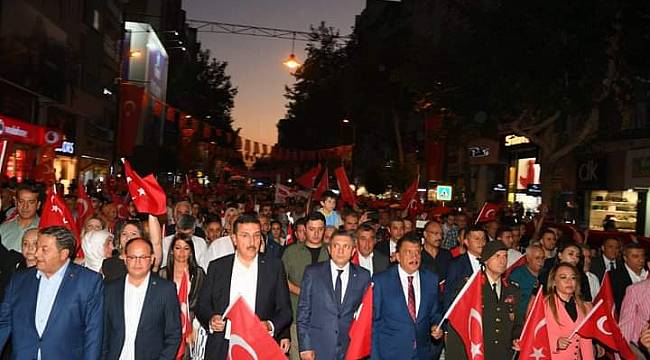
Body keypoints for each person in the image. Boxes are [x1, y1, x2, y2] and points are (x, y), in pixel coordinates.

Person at [196, 215, 292, 359]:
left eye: (256, 235)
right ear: (234, 239)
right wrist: (211, 319)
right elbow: (202, 305)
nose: (252, 242)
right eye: (245, 236)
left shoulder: (274, 267)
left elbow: (285, 310)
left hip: (259, 346)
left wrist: (270, 325)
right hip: (223, 346)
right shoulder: (218, 267)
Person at [0, 226, 104, 359]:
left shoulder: (88, 282)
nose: (36, 254)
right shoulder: (20, 280)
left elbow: (93, 334)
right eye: (38, 247)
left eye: (44, 249)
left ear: (64, 254)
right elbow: (3, 322)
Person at [102, 238, 181, 360]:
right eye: (132, 257)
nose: (137, 263)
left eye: (143, 257)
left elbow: (173, 334)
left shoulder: (165, 289)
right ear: (125, 258)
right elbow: (103, 331)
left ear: (152, 259)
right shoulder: (110, 289)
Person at [297, 230, 371, 359]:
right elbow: (303, 311)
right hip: (318, 346)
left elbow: (366, 315)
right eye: (336, 246)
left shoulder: (363, 276)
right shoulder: (313, 273)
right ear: (329, 249)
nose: (341, 251)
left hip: (350, 347)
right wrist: (305, 346)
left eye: (346, 247)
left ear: (353, 251)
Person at [371, 232, 444, 359]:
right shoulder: (381, 281)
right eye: (408, 252)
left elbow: (435, 313)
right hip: (391, 354)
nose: (414, 257)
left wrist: (436, 325)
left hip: (423, 353)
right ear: (398, 256)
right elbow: (374, 324)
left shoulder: (431, 280)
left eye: (417, 252)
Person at [446, 240, 523, 359]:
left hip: (502, 354)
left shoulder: (512, 290)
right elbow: (458, 324)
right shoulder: (471, 288)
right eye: (497, 256)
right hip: (476, 352)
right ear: (486, 260)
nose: (503, 260)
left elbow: (517, 324)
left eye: (505, 256)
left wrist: (516, 338)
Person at [282, 212, 330, 360]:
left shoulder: (331, 251)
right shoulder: (291, 252)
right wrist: (302, 292)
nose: (316, 233)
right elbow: (281, 280)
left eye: (320, 229)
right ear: (304, 229)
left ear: (324, 230)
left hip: (326, 319)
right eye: (311, 229)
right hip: (297, 317)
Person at [159, 233, 207, 360]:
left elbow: (204, 302)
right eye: (177, 248)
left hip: (191, 328)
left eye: (186, 248)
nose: (182, 253)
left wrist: (195, 327)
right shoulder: (162, 273)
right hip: (166, 328)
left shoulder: (198, 274)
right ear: (171, 251)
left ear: (191, 251)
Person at [543, 262, 594, 359]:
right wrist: (555, 342)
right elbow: (535, 335)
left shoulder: (584, 306)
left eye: (573, 278)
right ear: (553, 282)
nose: (569, 281)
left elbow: (586, 342)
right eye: (563, 277)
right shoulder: (544, 305)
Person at [444, 225, 487, 310]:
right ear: (466, 242)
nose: (481, 242)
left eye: (483, 239)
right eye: (476, 239)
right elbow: (449, 295)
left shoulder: (490, 261)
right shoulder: (456, 264)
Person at [0, 183, 41, 253]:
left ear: (38, 205)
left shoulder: (44, 229)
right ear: (16, 203)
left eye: (31, 202)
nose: (25, 207)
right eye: (21, 202)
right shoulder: (3, 228)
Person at [508, 243, 545, 320]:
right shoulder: (517, 275)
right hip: (520, 320)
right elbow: (510, 298)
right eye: (537, 258)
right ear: (528, 258)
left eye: (543, 258)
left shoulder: (546, 275)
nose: (541, 261)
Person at [610, 242, 647, 316]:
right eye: (635, 256)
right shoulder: (613, 276)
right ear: (625, 258)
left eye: (643, 256)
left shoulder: (648, 275)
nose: (641, 260)